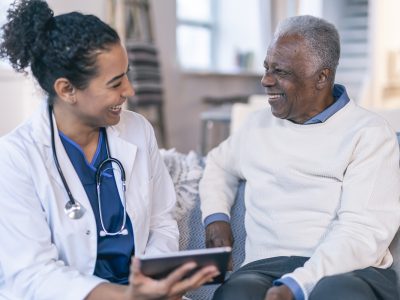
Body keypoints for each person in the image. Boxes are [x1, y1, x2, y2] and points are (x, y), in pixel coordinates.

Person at [0, 0, 219, 299]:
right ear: (67, 90)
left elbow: (161, 222)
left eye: (126, 75)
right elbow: (33, 274)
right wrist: (127, 297)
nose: (129, 90)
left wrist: (154, 282)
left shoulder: (138, 130)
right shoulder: (15, 157)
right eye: (115, 83)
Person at [199, 15, 400, 300]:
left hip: (351, 270)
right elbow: (218, 164)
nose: (266, 80)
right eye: (266, 67)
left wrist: (296, 286)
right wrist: (215, 218)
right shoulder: (257, 126)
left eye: (280, 72)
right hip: (264, 268)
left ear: (322, 77)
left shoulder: (369, 134)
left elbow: (361, 233)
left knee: (336, 294)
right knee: (237, 294)